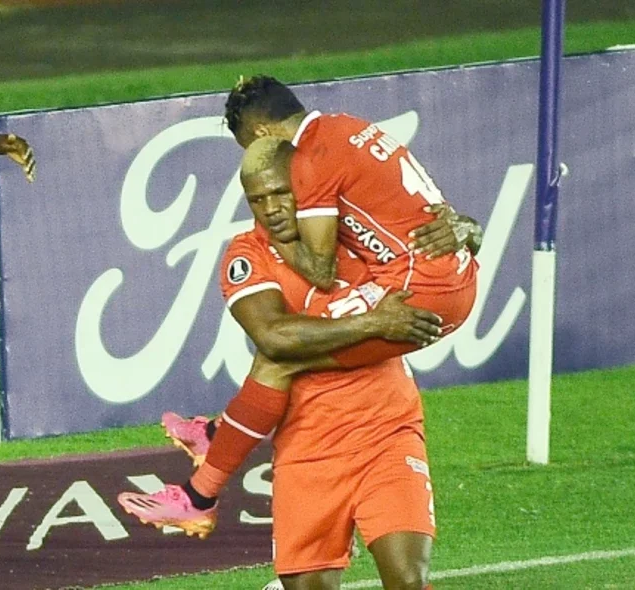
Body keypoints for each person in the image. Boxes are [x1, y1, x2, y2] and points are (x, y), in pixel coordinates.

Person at [138, 73, 487, 522]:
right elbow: (418, 212)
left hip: (419, 292)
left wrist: (268, 228)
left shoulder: (312, 157)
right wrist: (467, 228)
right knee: (288, 348)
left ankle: (200, 493)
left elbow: (321, 271)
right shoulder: (350, 128)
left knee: (281, 352)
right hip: (446, 278)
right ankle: (213, 444)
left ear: (263, 135)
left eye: (250, 147)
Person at [119, 140, 447, 590]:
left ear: (304, 185)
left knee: (409, 579)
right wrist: (374, 323)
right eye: (257, 199)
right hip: (309, 448)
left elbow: (432, 240)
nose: (270, 208)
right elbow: (273, 337)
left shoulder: (356, 228)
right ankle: (209, 463)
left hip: (386, 433)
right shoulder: (247, 255)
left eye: (280, 193)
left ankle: (210, 458)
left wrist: (465, 230)